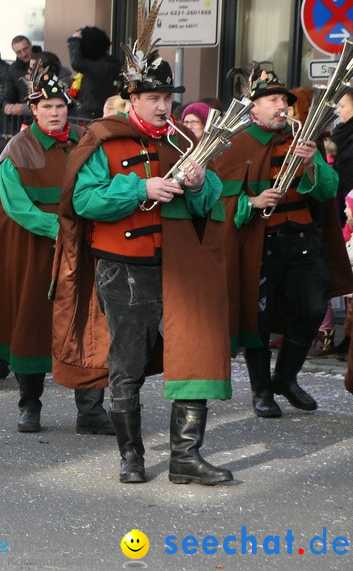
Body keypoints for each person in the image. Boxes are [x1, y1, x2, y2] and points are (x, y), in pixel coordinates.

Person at [53, 37, 234, 485]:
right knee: (128, 364)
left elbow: (211, 203)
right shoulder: (103, 138)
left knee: (194, 353)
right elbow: (84, 200)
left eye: (167, 97)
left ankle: (184, 458)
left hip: (180, 269)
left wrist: (196, 185)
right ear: (132, 99)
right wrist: (140, 189)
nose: (162, 105)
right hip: (124, 268)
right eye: (152, 97)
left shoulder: (181, 140)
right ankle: (131, 455)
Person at [0, 64, 114, 435]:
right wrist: (61, 230)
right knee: (32, 324)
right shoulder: (18, 149)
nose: (54, 112)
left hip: (83, 248)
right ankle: (29, 404)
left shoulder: (86, 140)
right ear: (34, 110)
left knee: (88, 323)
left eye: (60, 105)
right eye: (46, 106)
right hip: (37, 250)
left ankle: (91, 410)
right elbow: (17, 207)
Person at [213, 67, 353, 418]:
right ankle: (262, 390)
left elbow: (328, 190)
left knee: (310, 307)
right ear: (254, 108)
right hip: (261, 243)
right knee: (257, 319)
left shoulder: (301, 138)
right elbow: (215, 200)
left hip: (303, 241)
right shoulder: (237, 143)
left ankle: (286, 378)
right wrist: (250, 202)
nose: (281, 106)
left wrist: (311, 165)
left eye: (284, 101)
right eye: (273, 100)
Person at [67, 26, 122, 119]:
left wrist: (74, 40)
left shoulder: (105, 67)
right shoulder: (99, 65)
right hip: (86, 116)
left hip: (92, 118)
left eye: (79, 46)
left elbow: (77, 63)